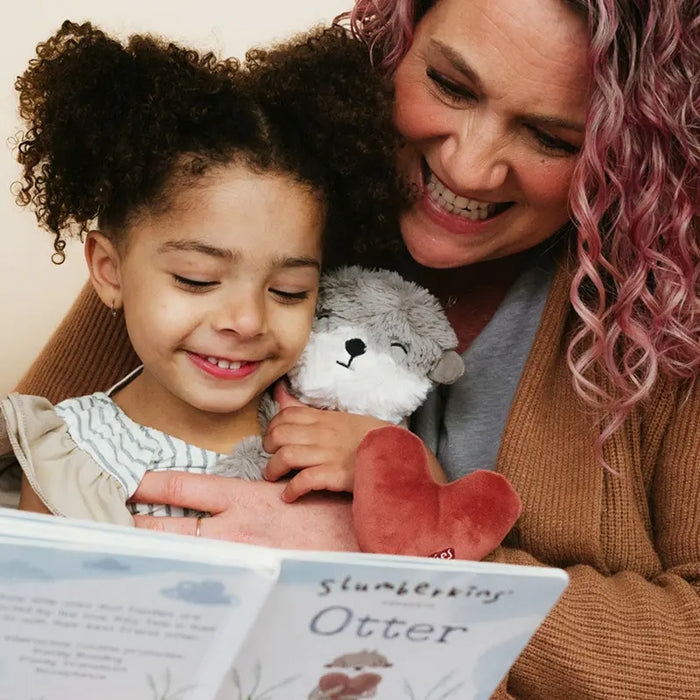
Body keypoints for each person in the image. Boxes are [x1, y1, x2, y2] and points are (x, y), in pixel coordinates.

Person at [6, 0, 699, 696]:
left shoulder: (671, 308)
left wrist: (398, 574)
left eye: (549, 136)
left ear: (624, 148)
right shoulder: (253, 207)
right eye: (451, 87)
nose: (471, 167)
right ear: (396, 46)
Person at [2, 20, 402, 537]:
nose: (247, 320)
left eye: (289, 291)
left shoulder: (332, 426)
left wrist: (400, 464)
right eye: (197, 279)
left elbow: (436, 542)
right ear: (109, 270)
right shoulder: (70, 454)